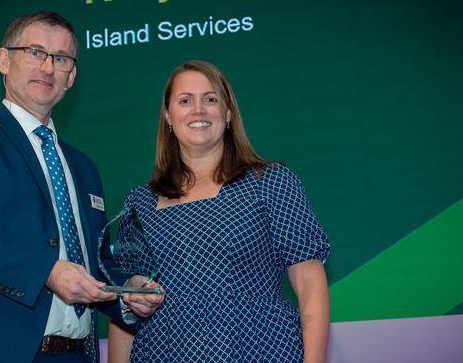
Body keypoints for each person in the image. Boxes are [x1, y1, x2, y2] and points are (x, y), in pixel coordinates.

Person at [0, 11, 162, 363]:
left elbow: (96, 262)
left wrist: (126, 292)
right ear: (4, 60)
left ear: (71, 76)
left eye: (60, 59)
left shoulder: (84, 167)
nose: (47, 68)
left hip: (75, 355)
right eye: (35, 52)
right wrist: (46, 271)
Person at [108, 60, 331, 363]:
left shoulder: (270, 182)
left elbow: (310, 284)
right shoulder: (140, 202)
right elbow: (126, 309)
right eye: (185, 101)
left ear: (227, 114)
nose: (198, 110)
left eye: (210, 99)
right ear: (168, 116)